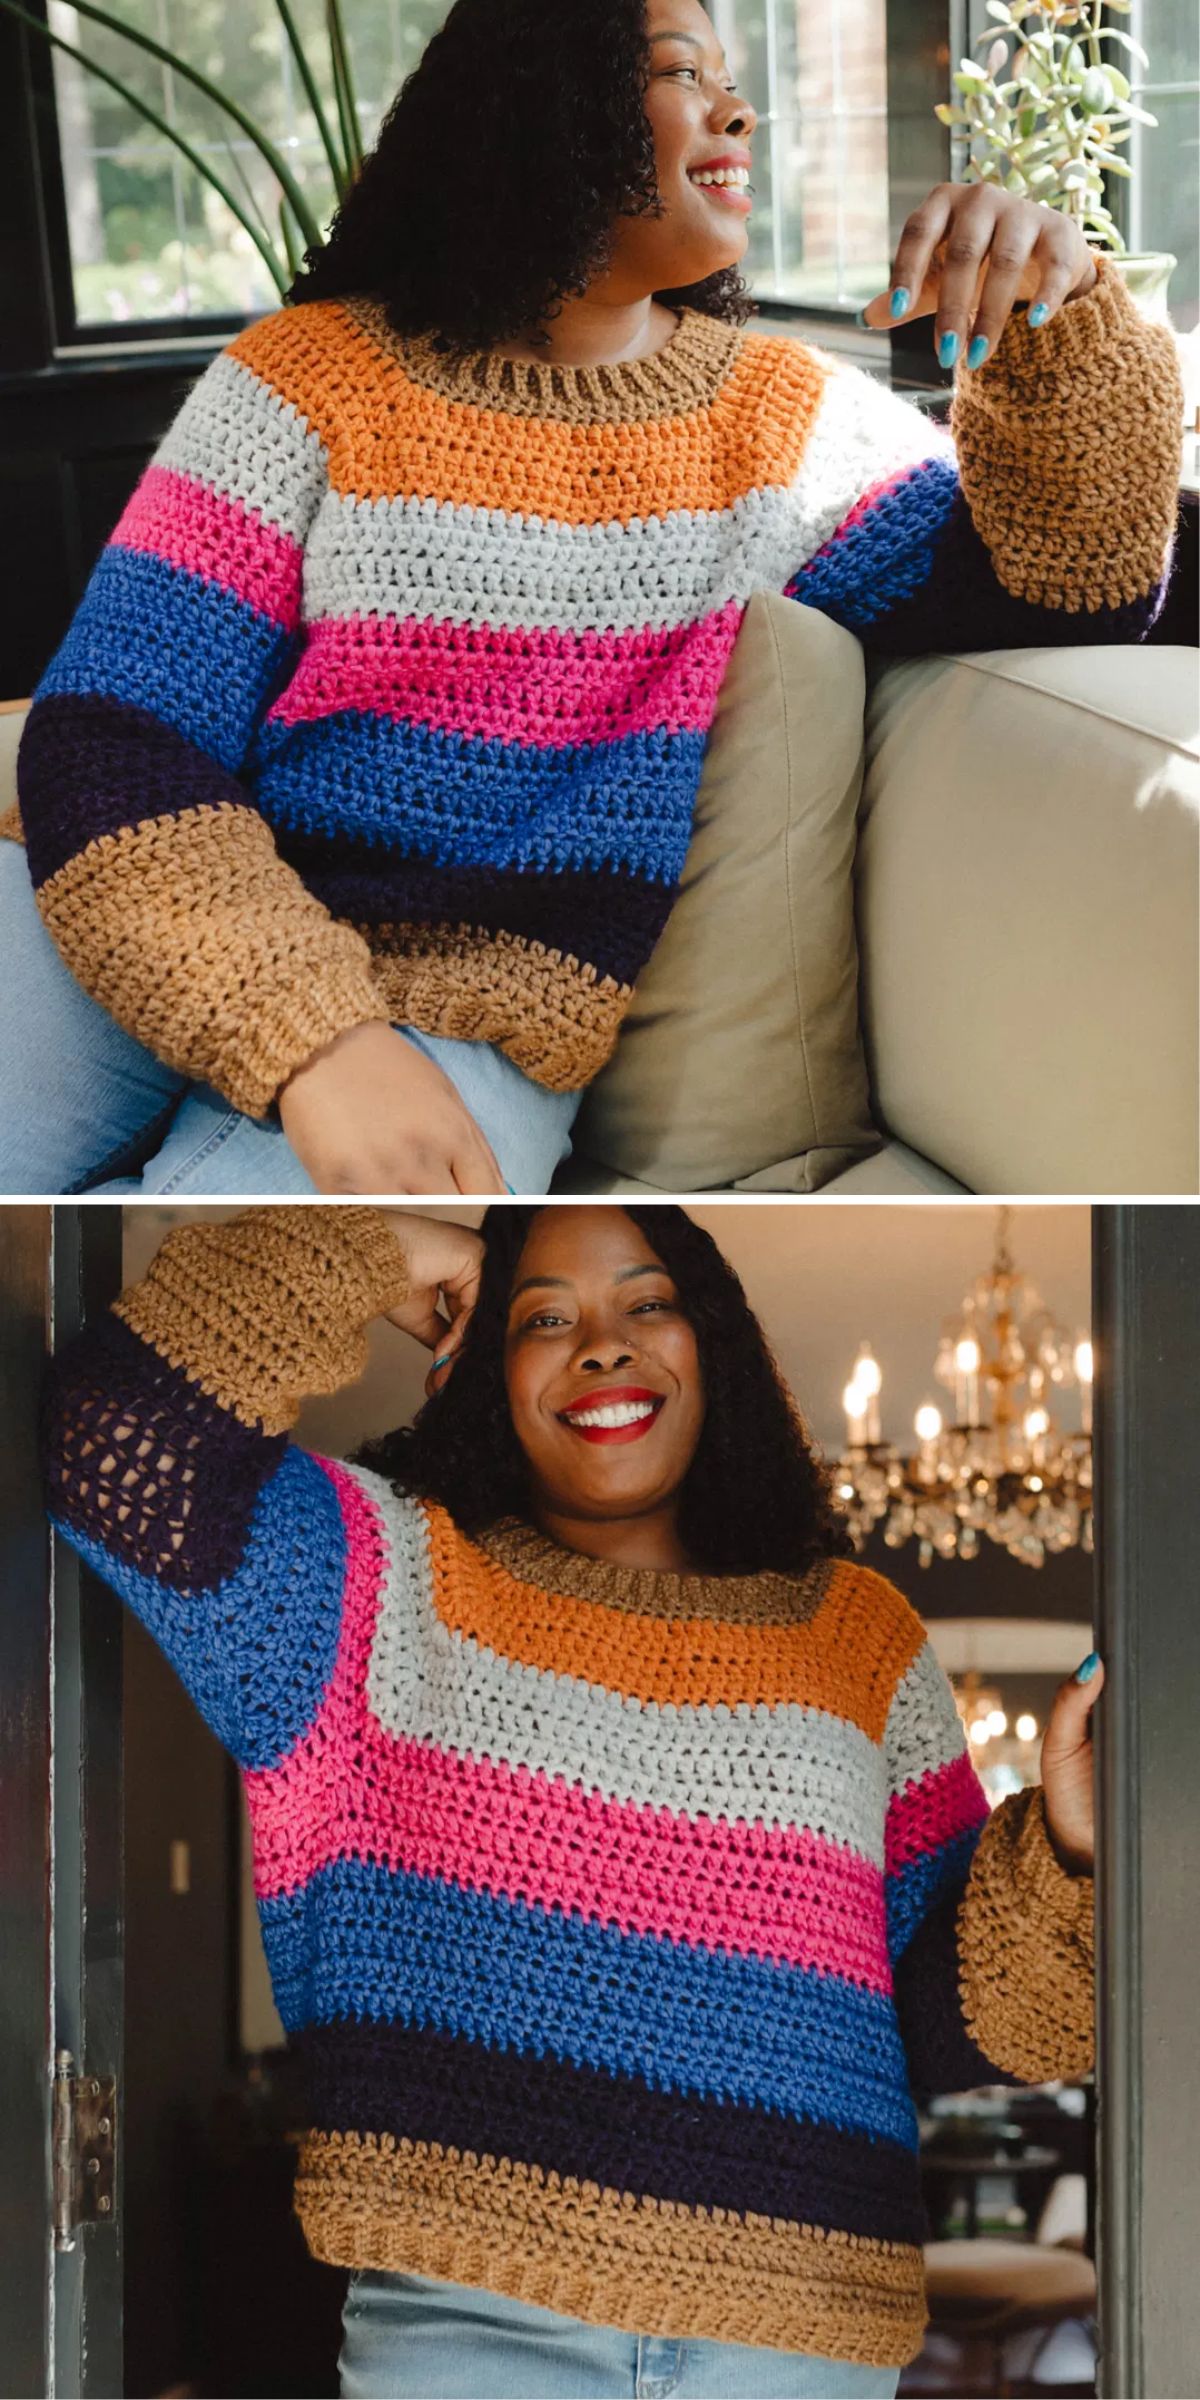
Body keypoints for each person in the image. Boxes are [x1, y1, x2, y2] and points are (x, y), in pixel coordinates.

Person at [0, 0, 1183, 1199]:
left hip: (473, 1006)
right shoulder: (305, 378)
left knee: (274, 1317)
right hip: (149, 919)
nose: (739, 107)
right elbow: (115, 738)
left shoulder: (783, 421)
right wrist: (309, 1033)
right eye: (682, 72)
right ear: (541, 112)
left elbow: (1069, 593)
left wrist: (1066, 316)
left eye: (733, 76)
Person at [41, 1200, 1102, 2399]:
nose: (603, 1342)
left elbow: (950, 2019)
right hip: (474, 2325)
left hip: (796, 2339)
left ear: (717, 1343)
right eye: (542, 1317)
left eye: (648, 1301)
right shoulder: (379, 1580)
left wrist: (1066, 1847)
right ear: (480, 1366)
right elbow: (112, 1438)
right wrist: (381, 1251)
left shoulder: (858, 1637)